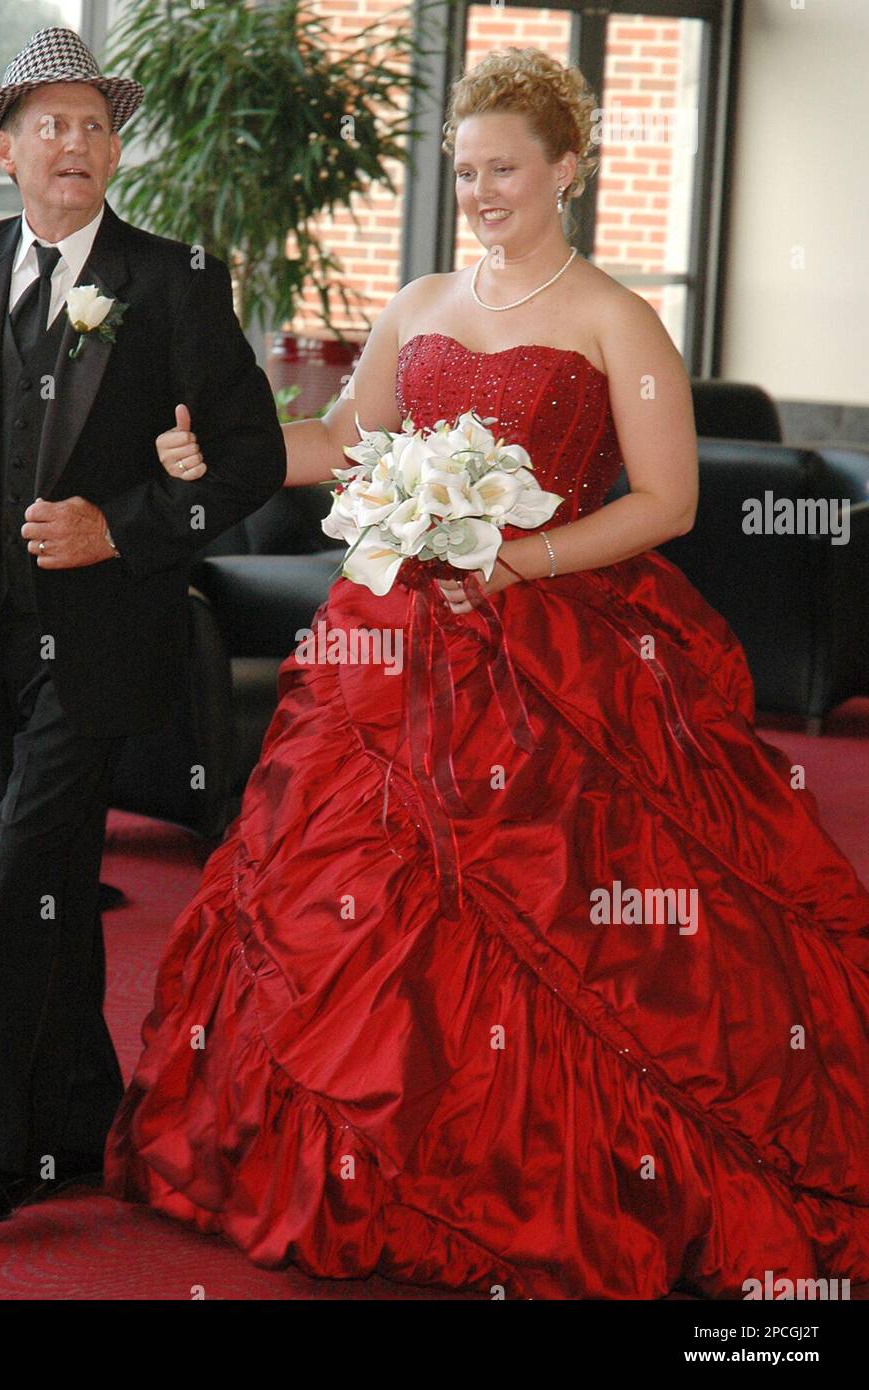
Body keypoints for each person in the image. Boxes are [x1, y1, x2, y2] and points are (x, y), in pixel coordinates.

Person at [104, 48, 869, 1298]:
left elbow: (668, 501)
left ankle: (537, 1173)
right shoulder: (417, 302)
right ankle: (371, 1154)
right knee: (358, 894)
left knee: (558, 917)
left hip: (561, 648)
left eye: (501, 169)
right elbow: (348, 445)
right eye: (462, 171)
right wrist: (220, 459)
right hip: (397, 644)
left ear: (565, 167)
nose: (478, 192)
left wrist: (526, 562)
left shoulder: (613, 318)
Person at [0, 27, 286, 1223]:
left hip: (102, 640)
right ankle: (85, 1110)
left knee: (32, 864)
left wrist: (127, 525)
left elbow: (250, 456)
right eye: (51, 124)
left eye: (96, 125)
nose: (78, 143)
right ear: (2, 147)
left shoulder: (175, 280)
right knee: (26, 877)